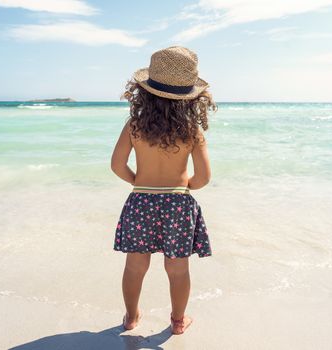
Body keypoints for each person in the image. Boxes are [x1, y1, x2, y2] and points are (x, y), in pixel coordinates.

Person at [110, 46, 216, 335]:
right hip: (178, 203)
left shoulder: (134, 125)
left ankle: (131, 318)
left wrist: (138, 182)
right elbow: (204, 177)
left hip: (141, 200)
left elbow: (117, 165)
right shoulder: (193, 131)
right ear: (191, 97)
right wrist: (184, 187)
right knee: (178, 269)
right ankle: (178, 322)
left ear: (145, 91)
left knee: (135, 266)